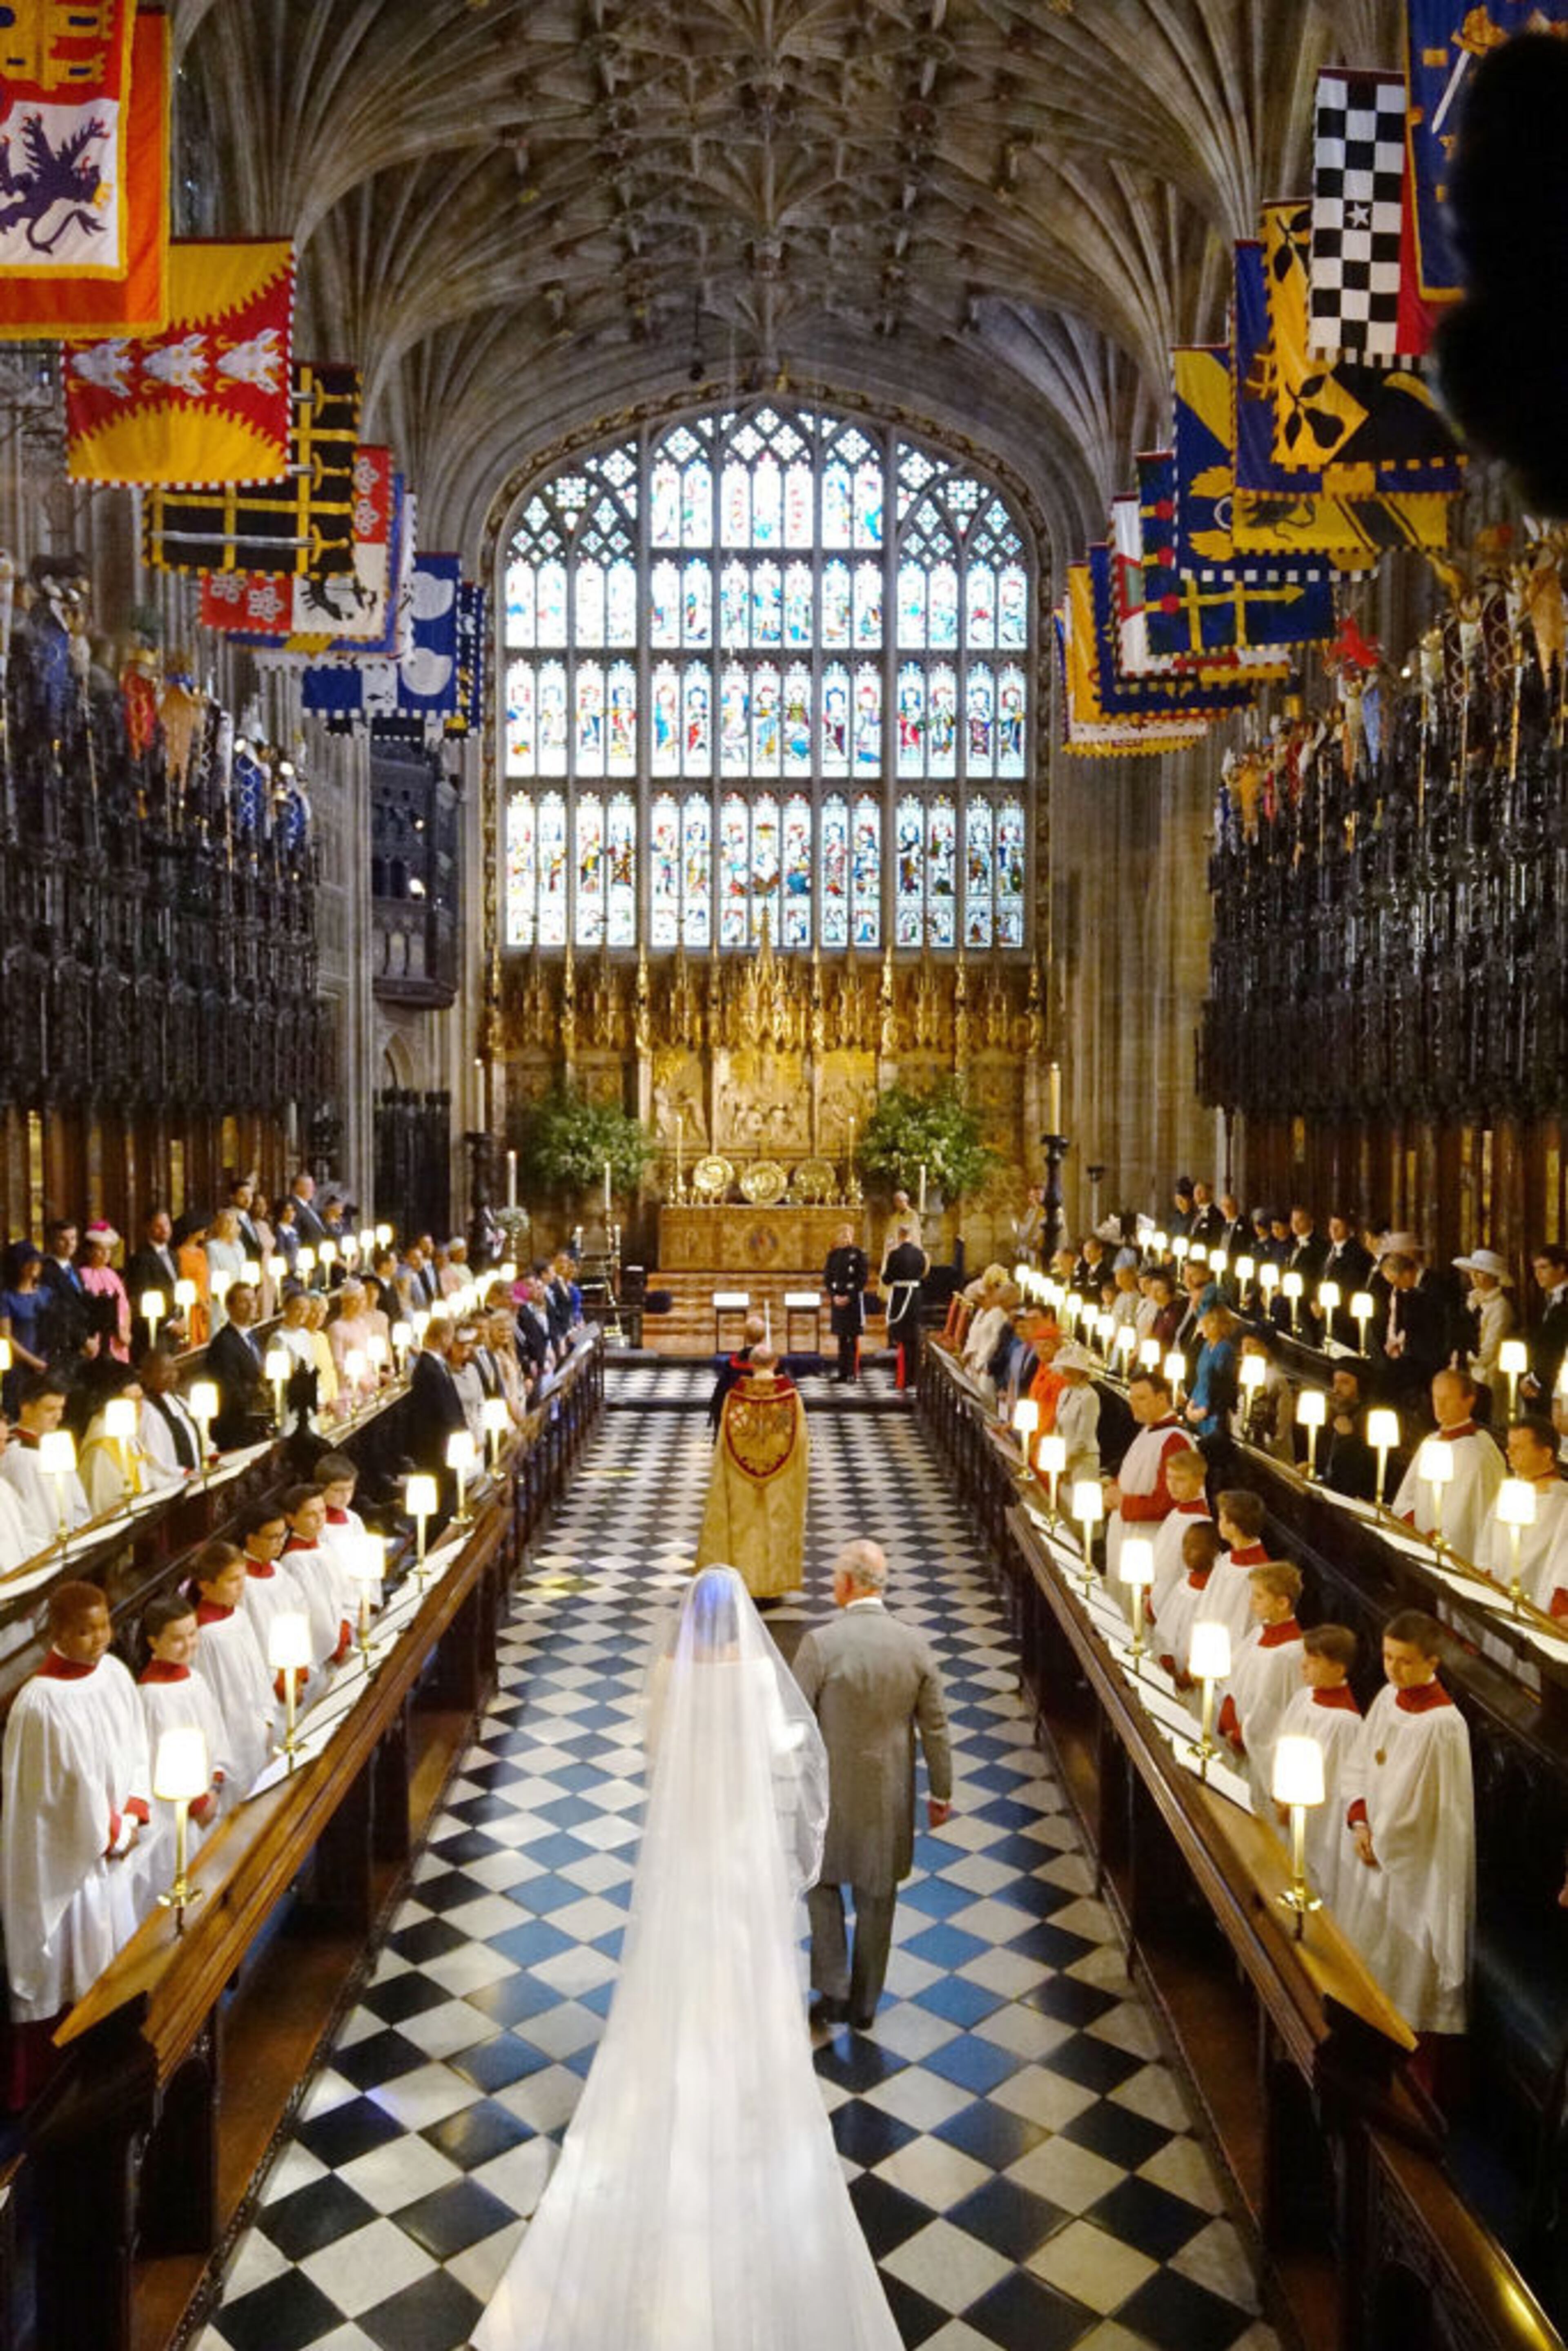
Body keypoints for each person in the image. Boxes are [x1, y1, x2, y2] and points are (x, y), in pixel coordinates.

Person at [474, 1565, 902, 2351]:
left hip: (685, 1851)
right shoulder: (753, 1680)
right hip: (739, 1851)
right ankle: (740, 2068)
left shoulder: (671, 1673)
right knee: (742, 1960)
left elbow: (655, 1748)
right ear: (740, 1623)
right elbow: (793, 1757)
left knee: (676, 1962)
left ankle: (675, 2068)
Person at [794, 1540, 951, 2030]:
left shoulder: (821, 1645)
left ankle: (833, 1987)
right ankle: (865, 2003)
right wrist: (941, 1792)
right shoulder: (914, 1645)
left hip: (829, 1797)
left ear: (846, 1584)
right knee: (878, 1899)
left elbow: (796, 1721)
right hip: (890, 1799)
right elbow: (936, 1726)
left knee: (821, 1887)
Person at [1, 1583, 151, 2054]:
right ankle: (81, 2056)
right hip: (76, 1863)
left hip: (116, 1839)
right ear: (58, 1635)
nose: (101, 1638)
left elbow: (136, 1745)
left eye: (104, 1625)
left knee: (121, 1954)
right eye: (85, 1631)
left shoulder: (114, 1674)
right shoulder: (40, 1703)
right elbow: (56, 1795)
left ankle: (119, 2037)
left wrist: (134, 1808)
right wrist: (112, 1831)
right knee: (82, 1961)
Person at [1339, 1611, 1475, 2040]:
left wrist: (1382, 1839)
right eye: (1387, 1657)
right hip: (1373, 1843)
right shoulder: (1386, 1698)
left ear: (1433, 1662)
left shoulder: (1443, 1725)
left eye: (1404, 1661)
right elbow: (1360, 1760)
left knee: (1398, 1965)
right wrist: (1360, 1821)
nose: (1393, 1669)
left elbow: (1427, 1810)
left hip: (1413, 1863)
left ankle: (1396, 2035)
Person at [695, 1349, 808, 1600]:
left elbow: (724, 1439)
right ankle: (771, 1586)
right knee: (772, 1525)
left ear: (751, 1365)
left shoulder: (734, 1396)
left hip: (740, 1474)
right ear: (776, 1363)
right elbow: (800, 1440)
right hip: (780, 1475)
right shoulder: (790, 1396)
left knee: (743, 1526)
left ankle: (744, 1582)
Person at [1274, 1625, 1362, 1916]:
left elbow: (1337, 1785)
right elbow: (1284, 1740)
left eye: (1313, 1660)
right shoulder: (1305, 1697)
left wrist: (1297, 1805)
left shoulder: (1346, 1723)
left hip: (1317, 1823)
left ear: (1338, 1668)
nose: (1303, 1666)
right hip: (1288, 1803)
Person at [137, 1591, 233, 1835]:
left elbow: (215, 1733)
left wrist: (215, 1783)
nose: (189, 1644)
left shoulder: (194, 1678)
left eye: (193, 1634)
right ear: (153, 1642)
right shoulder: (152, 1696)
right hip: (177, 1815)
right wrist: (198, 1804)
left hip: (210, 1795)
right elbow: (161, 1760)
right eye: (177, 1639)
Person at [188, 1541, 278, 1790]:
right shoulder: (205, 1635)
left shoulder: (239, 1615)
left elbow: (258, 1672)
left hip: (257, 1728)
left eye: (243, 1578)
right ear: (206, 1586)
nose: (241, 1587)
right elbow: (215, 1700)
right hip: (233, 1740)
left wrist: (267, 1717)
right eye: (232, 1580)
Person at [1390, 1368, 1505, 1563]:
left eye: (1447, 1400)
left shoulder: (1478, 1453)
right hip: (1420, 1545)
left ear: (1469, 1401)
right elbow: (1406, 1499)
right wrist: (1415, 1528)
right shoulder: (1432, 1441)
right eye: (1436, 1399)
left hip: (1455, 1553)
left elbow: (1471, 1516)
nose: (1440, 1407)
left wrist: (1441, 1538)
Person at [1217, 1562, 1305, 1809]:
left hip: (1256, 1750)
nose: (1251, 1603)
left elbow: (1274, 1709)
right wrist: (1228, 1709)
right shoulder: (1259, 1634)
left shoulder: (1290, 1653)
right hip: (1236, 1731)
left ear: (1283, 1603)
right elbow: (1235, 1674)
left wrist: (1242, 1734)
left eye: (1259, 1596)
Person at [1102, 1369, 1196, 1582]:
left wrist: (1124, 1503)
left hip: (1146, 1543)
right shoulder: (1148, 1430)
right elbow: (1133, 1472)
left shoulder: (1175, 1440)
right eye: (1132, 1398)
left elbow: (1170, 1501)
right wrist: (1113, 1489)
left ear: (1162, 1398)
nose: (1133, 1404)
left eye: (1142, 1398)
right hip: (1126, 1537)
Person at [1, 1371, 91, 1548]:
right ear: (26, 1408)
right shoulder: (18, 1457)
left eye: (61, 1408)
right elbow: (36, 1520)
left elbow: (77, 1501)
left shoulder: (56, 1444)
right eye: (50, 1410)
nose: (59, 1417)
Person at [1149, 1444, 1212, 1624]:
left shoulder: (1199, 1524)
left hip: (1176, 1607)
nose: (1172, 1485)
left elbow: (1182, 1571)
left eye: (1181, 1479)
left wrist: (1162, 1606)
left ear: (1199, 1481)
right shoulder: (1178, 1513)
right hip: (1158, 1596)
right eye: (1169, 1478)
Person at [206, 1282, 272, 1449]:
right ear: (230, 1307)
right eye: (244, 1301)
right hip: (236, 1431)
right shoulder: (223, 1344)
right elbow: (230, 1391)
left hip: (256, 1426)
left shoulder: (252, 1335)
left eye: (254, 1300)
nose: (251, 1306)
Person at [1454, 1248, 1516, 1410]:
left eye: (1480, 1273)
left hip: (1486, 1374)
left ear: (1494, 1277)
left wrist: (1464, 1355)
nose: (1474, 1277)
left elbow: (1490, 1348)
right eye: (1472, 1272)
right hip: (1465, 1370)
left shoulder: (1500, 1306)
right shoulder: (1471, 1300)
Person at [136, 1343, 204, 1485]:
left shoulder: (179, 1401)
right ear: (147, 1375)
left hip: (195, 1478)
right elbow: (154, 1459)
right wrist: (184, 1473)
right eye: (165, 1370)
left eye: (174, 1369)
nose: (173, 1375)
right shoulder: (147, 1412)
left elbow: (199, 1436)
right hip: (171, 1484)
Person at [1321, 1364, 1379, 1501]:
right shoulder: (1333, 1414)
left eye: (1345, 1383)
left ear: (1361, 1387)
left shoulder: (1371, 1421)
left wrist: (1349, 1438)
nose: (1336, 1390)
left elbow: (1359, 1477)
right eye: (1335, 1382)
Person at [882, 1223, 927, 1393]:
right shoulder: (920, 1255)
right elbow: (924, 1274)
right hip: (915, 1298)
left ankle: (902, 1379)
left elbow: (887, 1279)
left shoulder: (895, 1255)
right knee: (913, 1340)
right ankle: (913, 1379)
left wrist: (888, 1256)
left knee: (902, 1340)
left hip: (901, 1297)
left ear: (900, 1235)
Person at [824, 1224, 869, 1384]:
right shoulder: (833, 1256)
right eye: (842, 1235)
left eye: (848, 1235)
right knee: (842, 1339)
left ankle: (853, 1373)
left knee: (852, 1338)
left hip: (853, 1301)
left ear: (852, 1236)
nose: (845, 1238)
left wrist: (849, 1297)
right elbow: (828, 1279)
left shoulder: (858, 1255)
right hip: (838, 1301)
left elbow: (862, 1279)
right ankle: (842, 1373)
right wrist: (834, 1296)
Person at [79, 1223, 131, 1362]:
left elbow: (125, 1307)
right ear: (89, 1251)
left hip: (119, 1338)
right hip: (98, 1338)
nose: (105, 1254)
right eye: (100, 1250)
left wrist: (126, 1331)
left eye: (108, 1250)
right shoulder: (83, 1275)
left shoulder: (113, 1275)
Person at [1524, 1244, 1568, 1402]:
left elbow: (1556, 1346)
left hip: (1559, 1380)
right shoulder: (1550, 1299)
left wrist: (1536, 1379)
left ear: (1561, 1268)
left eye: (1544, 1268)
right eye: (1535, 1269)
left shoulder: (1565, 1301)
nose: (1538, 1274)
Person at [708, 1310, 764, 1433]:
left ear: (745, 1336)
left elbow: (720, 1395)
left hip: (738, 1419)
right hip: (766, 1420)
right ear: (764, 1336)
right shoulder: (772, 1365)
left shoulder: (733, 1364)